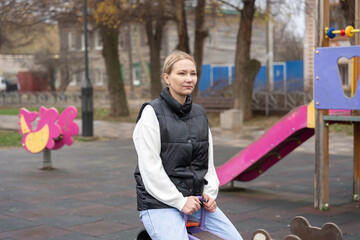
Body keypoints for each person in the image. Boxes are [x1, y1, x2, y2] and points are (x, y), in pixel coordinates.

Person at [133, 50, 242, 240]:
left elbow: (207, 164)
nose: (189, 79)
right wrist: (179, 201)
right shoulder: (152, 113)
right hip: (159, 202)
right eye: (181, 73)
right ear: (167, 77)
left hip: (195, 201)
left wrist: (209, 195)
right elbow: (150, 169)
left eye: (193, 73)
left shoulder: (199, 114)